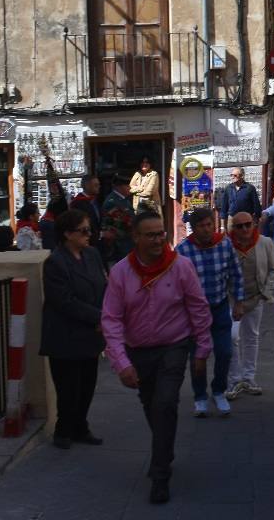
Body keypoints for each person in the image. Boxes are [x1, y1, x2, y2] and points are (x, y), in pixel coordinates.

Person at [101, 212, 212, 505]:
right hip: (138, 351)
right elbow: (111, 319)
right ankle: (165, 447)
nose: (158, 239)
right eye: (150, 235)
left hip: (173, 346)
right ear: (136, 238)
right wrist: (121, 363)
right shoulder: (121, 273)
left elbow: (198, 308)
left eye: (161, 233)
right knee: (153, 407)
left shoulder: (181, 267)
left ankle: (160, 474)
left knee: (164, 403)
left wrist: (202, 349)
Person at [40, 208, 108, 450]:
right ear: (68, 234)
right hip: (65, 335)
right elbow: (63, 301)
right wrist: (98, 317)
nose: (89, 235)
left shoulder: (92, 255)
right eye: (84, 231)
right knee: (68, 388)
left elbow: (103, 284)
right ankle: (64, 429)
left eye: (90, 230)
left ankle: (81, 426)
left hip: (90, 333)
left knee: (88, 385)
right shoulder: (55, 262)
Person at [175, 207, 245, 419]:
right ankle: (200, 396)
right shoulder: (183, 251)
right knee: (198, 356)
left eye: (209, 225)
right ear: (193, 228)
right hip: (194, 314)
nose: (206, 230)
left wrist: (239, 302)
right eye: (201, 226)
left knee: (225, 352)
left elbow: (235, 273)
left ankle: (218, 390)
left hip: (220, 307)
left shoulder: (224, 244)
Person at [225, 211, 274, 400]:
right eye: (239, 226)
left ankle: (249, 377)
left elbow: (273, 269)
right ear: (233, 229)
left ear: (254, 224)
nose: (245, 229)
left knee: (252, 337)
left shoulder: (265, 243)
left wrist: (266, 292)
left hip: (256, 298)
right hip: (232, 300)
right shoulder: (226, 245)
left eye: (248, 224)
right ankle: (234, 379)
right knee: (232, 337)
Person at [101, 179, 135, 264]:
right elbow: (117, 224)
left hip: (127, 240)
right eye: (127, 185)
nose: (129, 188)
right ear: (119, 187)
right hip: (120, 242)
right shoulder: (112, 201)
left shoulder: (123, 199)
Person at [70, 175, 102, 245]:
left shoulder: (95, 200)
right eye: (96, 185)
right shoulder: (78, 203)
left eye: (99, 184)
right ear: (87, 186)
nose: (99, 187)